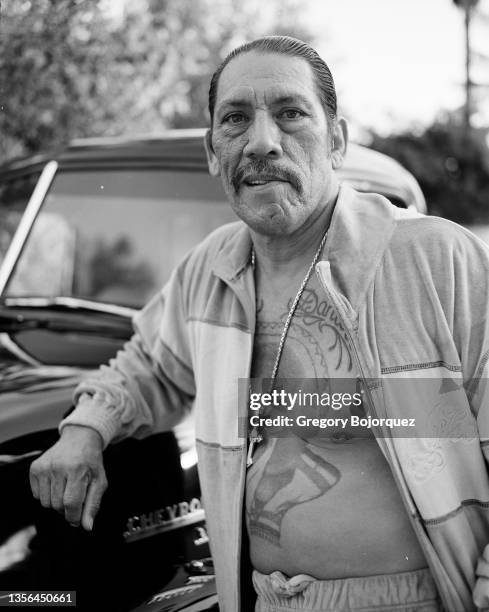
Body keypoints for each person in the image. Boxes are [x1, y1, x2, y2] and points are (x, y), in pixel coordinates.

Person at [29, 36, 489, 612]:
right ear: (213, 151)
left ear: (337, 140)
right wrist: (85, 429)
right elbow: (148, 366)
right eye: (236, 120)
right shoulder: (211, 271)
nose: (263, 142)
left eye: (291, 113)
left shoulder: (436, 259)